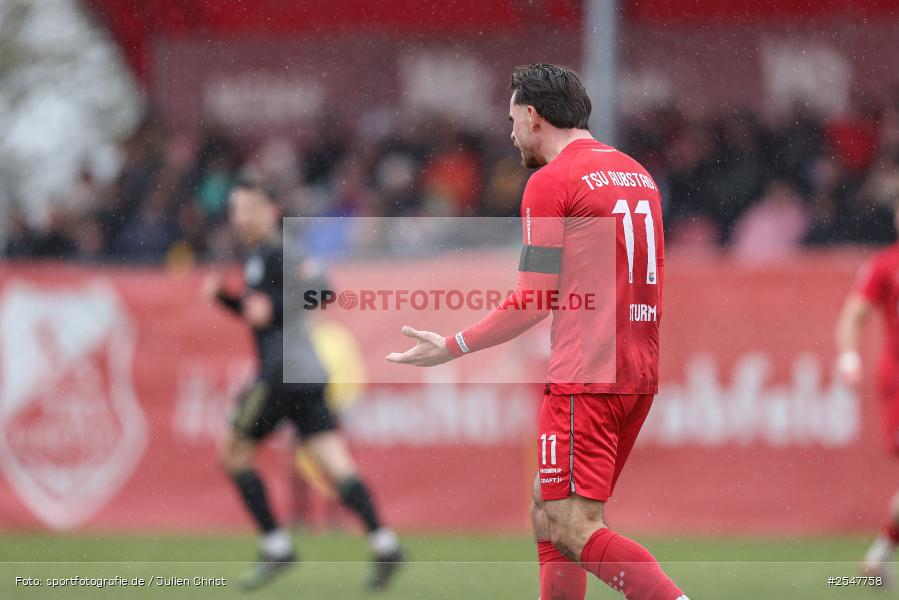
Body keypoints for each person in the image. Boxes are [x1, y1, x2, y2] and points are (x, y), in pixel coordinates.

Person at [386, 64, 688, 600]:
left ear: (532, 115)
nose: (508, 134)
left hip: (585, 376)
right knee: (550, 514)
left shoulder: (551, 182)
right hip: (636, 371)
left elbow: (533, 298)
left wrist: (453, 345)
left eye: (510, 120)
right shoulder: (638, 175)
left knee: (573, 526)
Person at [203, 179, 404, 591]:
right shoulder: (269, 253)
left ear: (270, 210)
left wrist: (242, 301)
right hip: (306, 373)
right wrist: (237, 301)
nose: (240, 218)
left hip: (281, 374)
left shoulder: (277, 252)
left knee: (233, 454)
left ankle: (276, 545)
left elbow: (322, 291)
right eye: (236, 209)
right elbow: (284, 304)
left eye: (248, 209)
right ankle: (384, 543)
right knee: (334, 462)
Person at [835, 198, 899, 585]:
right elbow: (854, 313)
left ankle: (879, 555)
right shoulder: (885, 265)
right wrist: (848, 358)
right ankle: (879, 554)